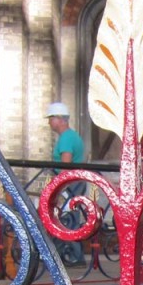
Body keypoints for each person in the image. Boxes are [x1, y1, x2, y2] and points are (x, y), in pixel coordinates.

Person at [46, 101, 87, 264]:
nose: (49, 122)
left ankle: (74, 256)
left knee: (67, 219)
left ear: (60, 119)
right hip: (74, 183)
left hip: (69, 184)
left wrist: (59, 185)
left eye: (51, 118)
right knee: (70, 218)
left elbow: (66, 163)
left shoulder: (66, 138)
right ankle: (71, 255)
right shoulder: (72, 136)